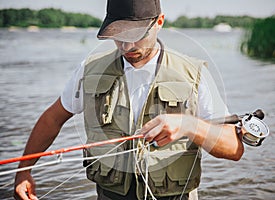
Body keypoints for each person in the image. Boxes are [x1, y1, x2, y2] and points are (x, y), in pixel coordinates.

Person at [14, 0, 245, 199]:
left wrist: (189, 125)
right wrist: (24, 171)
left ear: (160, 22)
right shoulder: (88, 71)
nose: (127, 46)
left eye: (137, 36)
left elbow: (234, 148)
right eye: (119, 36)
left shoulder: (194, 74)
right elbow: (52, 119)